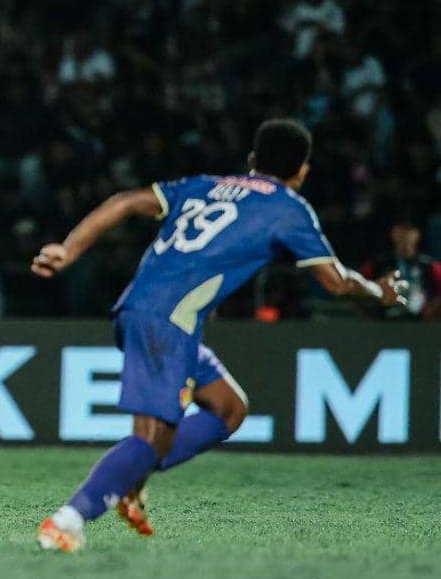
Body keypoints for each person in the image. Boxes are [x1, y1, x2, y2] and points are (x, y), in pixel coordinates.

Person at [31, 118, 407, 552]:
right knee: (150, 437)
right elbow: (336, 281)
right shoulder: (288, 207)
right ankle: (69, 519)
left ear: (251, 160)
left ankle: (131, 475)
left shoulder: (205, 185)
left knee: (229, 408)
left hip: (151, 313)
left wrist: (69, 248)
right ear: (302, 171)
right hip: (164, 322)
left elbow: (126, 201)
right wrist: (380, 291)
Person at [361, 219, 441, 320]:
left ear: (417, 234)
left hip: (422, 325)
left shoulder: (431, 266)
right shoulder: (377, 265)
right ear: (393, 233)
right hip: (385, 325)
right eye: (400, 230)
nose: (405, 236)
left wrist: (433, 308)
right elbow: (359, 293)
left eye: (409, 231)